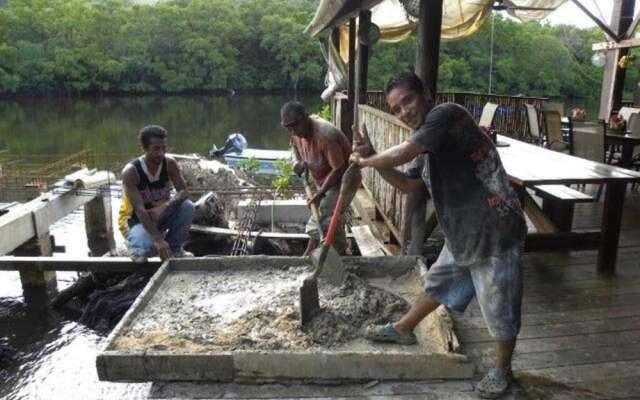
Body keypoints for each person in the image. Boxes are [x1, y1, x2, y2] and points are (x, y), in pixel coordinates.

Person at [350, 72, 526, 399]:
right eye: (397, 108)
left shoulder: (446, 115)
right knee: (437, 283)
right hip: (462, 233)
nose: (404, 111)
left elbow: (403, 152)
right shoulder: (426, 149)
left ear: (426, 94)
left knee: (499, 307)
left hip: (494, 230)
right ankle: (403, 329)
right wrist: (374, 160)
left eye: (408, 101)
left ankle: (503, 369)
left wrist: (366, 160)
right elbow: (408, 185)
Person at [281, 101, 360, 256]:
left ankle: (341, 252)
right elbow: (294, 148)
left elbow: (339, 169)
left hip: (344, 181)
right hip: (323, 180)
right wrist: (297, 161)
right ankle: (312, 250)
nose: (292, 131)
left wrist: (321, 193)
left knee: (323, 219)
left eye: (294, 126)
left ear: (305, 118)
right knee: (321, 213)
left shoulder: (325, 135)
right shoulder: (297, 132)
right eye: (288, 127)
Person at [118, 125, 194, 262]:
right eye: (156, 149)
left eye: (164, 148)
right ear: (144, 148)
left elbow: (184, 192)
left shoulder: (169, 164)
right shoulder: (131, 172)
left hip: (160, 214)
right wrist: (158, 240)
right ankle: (134, 247)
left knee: (188, 207)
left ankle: (175, 249)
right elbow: (140, 210)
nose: (161, 153)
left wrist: (164, 206)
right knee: (149, 249)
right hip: (135, 220)